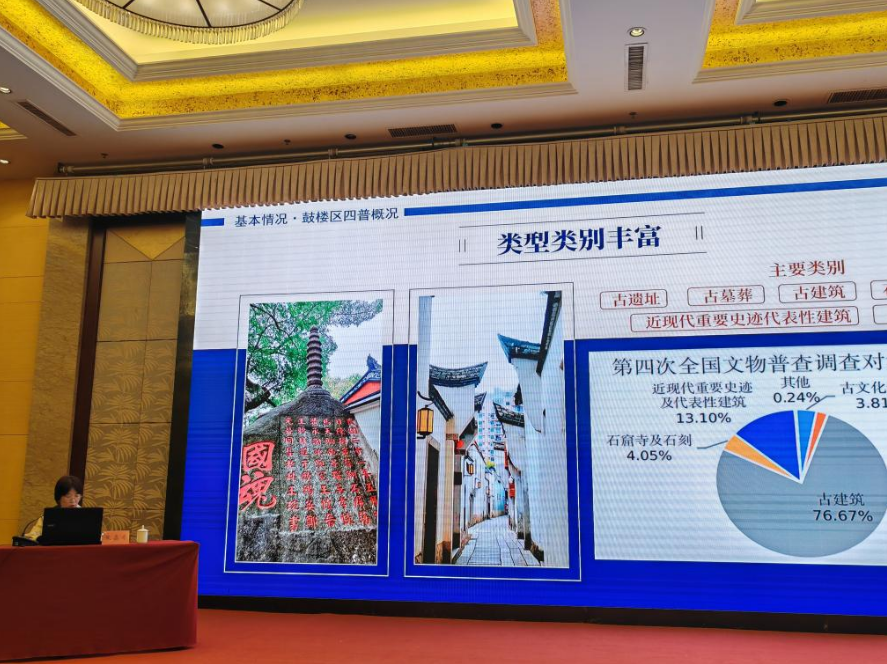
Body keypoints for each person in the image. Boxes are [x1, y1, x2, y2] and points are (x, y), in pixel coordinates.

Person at [22, 475, 83, 541]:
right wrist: (40, 539)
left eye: (77, 496)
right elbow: (32, 536)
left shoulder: (84, 515)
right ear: (59, 498)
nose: (73, 501)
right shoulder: (49, 515)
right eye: (68, 496)